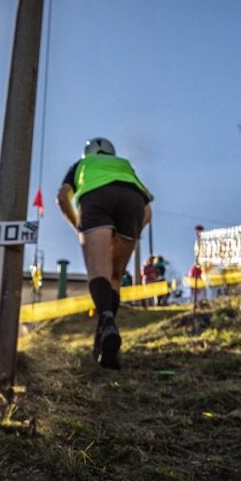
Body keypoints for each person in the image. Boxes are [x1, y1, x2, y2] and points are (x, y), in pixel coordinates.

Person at [57, 136, 152, 370]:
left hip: (96, 198)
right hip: (133, 202)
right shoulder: (124, 164)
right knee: (115, 276)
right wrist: (132, 231)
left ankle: (107, 320)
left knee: (98, 270)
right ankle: (104, 340)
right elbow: (147, 210)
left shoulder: (80, 166)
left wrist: (78, 225)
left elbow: (62, 196)